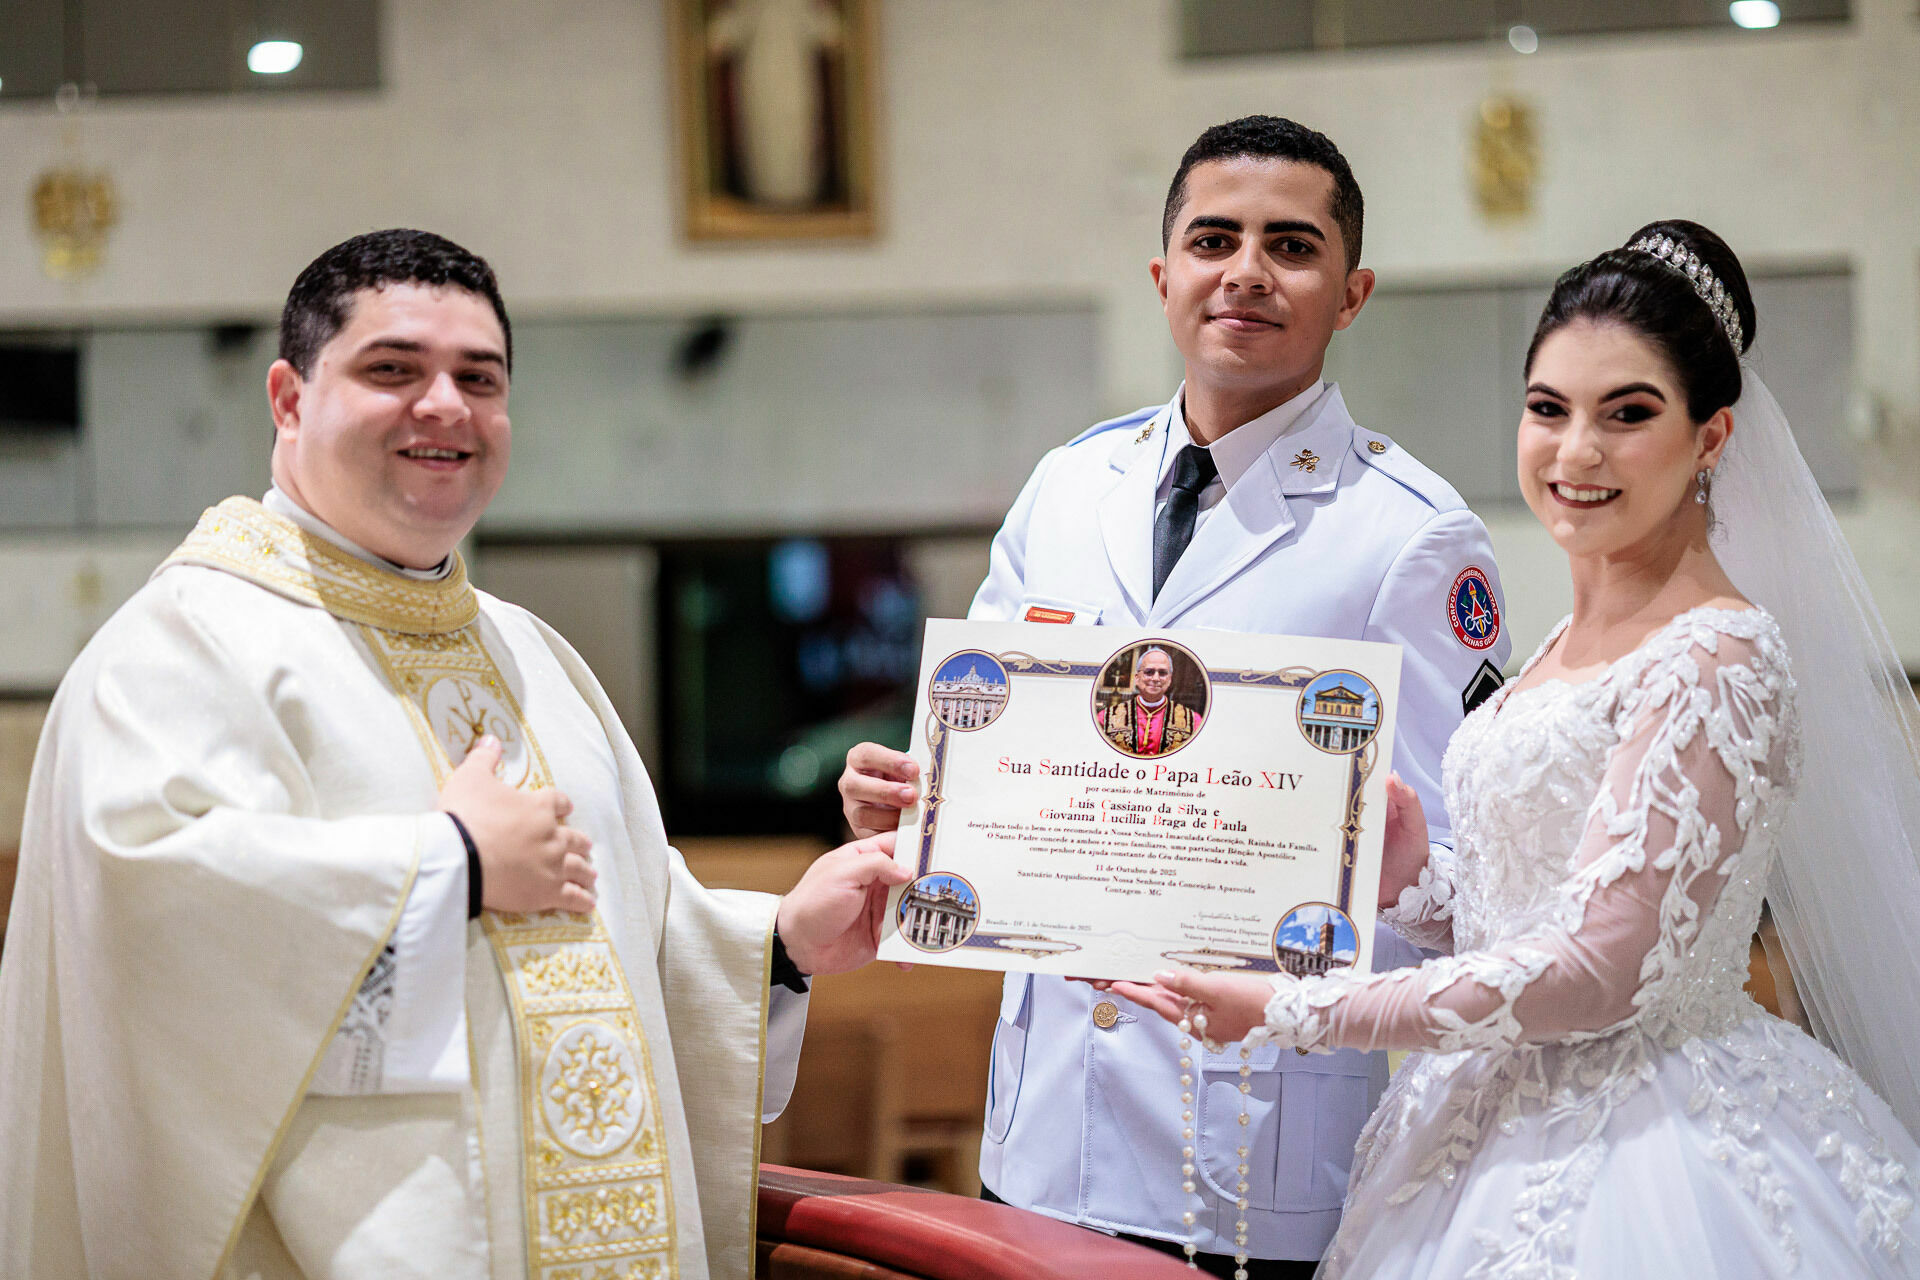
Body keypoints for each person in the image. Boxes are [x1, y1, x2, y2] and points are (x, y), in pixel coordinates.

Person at [0, 229, 910, 1280]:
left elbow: (619, 943)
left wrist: (784, 944)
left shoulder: (531, 653)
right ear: (290, 398)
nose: (445, 406)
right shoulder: (187, 643)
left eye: (479, 378)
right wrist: (452, 865)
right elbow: (149, 918)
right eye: (393, 369)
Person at [1121, 220, 1920, 1277]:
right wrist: (1416, 882)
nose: (1575, 451)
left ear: (1712, 437)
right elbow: (1543, 904)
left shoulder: (1718, 655)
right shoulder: (1558, 639)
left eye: (1627, 414)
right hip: (1481, 1123)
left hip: (1654, 1146)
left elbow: (1599, 967)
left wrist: (1292, 1009)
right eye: (1548, 409)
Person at [839, 116, 1511, 1277]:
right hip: (1041, 1132)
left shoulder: (1411, 534)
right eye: (1214, 238)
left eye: (1290, 245)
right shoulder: (1065, 487)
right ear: (1164, 277)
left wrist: (1353, 891)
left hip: (1254, 1150)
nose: (1245, 270)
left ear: (1350, 295)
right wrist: (912, 807)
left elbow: (1476, 874)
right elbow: (984, 772)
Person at [1095, 646, 1203, 756]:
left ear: (1169, 679)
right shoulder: (1105, 719)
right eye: (1149, 672)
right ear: (1137, 678)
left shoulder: (1193, 722)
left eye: (1162, 673)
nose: (1156, 678)